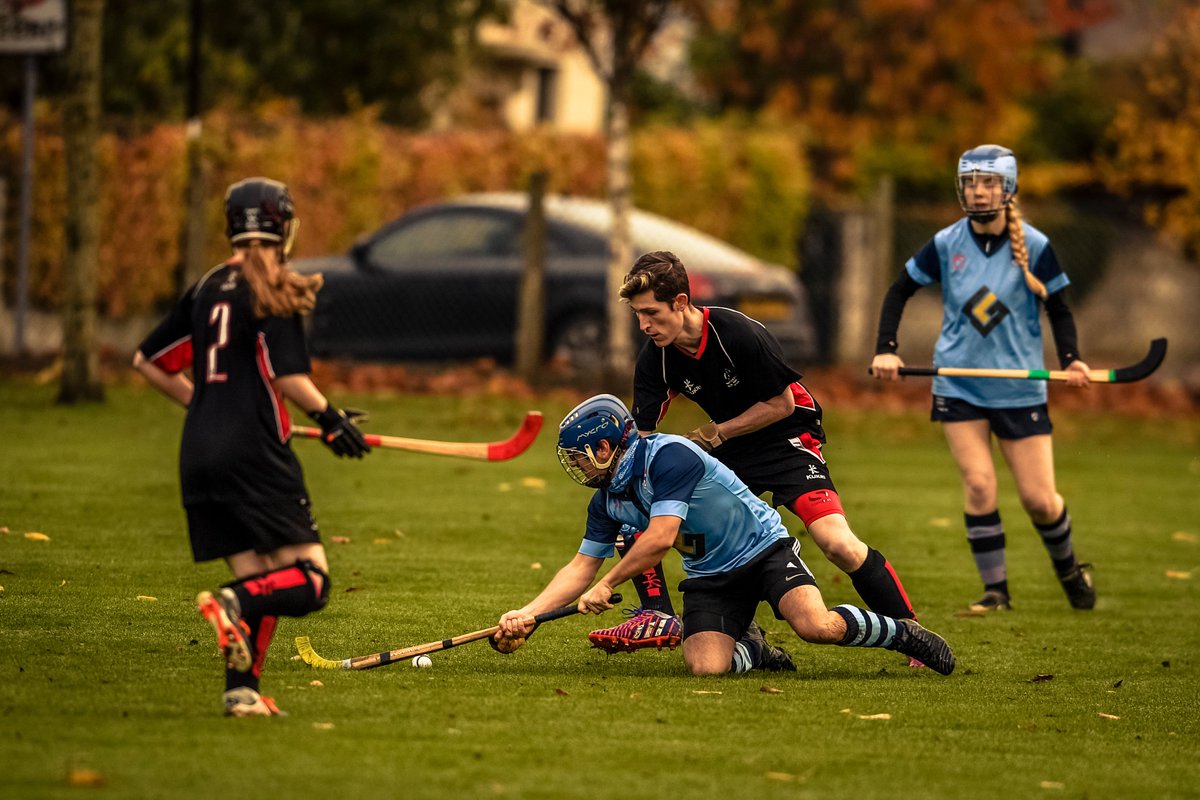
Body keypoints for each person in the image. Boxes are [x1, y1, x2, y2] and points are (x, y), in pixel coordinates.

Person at [584, 250, 918, 660]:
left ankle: (910, 630)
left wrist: (717, 432)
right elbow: (643, 439)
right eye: (638, 315)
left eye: (651, 313)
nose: (644, 325)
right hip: (729, 454)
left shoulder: (736, 332)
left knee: (837, 544)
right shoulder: (657, 358)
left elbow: (783, 405)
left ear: (682, 303)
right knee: (660, 515)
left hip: (787, 440)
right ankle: (679, 617)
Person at [492, 395, 955, 677]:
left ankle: (902, 634)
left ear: (604, 446)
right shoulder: (607, 499)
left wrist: (608, 584)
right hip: (712, 575)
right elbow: (579, 567)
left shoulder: (669, 456)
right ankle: (752, 646)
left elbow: (660, 536)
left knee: (818, 628)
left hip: (764, 551)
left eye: (578, 457)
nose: (575, 467)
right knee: (706, 668)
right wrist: (528, 615)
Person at [133, 177, 371, 717]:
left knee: (260, 576)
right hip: (253, 455)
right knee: (310, 581)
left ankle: (241, 693)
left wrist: (207, 406)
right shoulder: (273, 288)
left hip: (198, 454)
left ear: (230, 226)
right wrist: (331, 419)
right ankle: (231, 605)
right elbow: (289, 377)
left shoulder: (207, 286)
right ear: (283, 226)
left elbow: (146, 362)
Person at [869, 144, 1095, 614]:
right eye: (971, 182)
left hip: (1018, 388)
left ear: (1008, 188)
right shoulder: (946, 242)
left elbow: (1059, 307)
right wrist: (886, 349)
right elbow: (899, 290)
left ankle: (1070, 568)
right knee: (978, 485)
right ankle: (997, 592)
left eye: (988, 182)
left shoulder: (1034, 246)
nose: (978, 191)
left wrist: (1072, 360)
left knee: (1040, 501)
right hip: (959, 384)